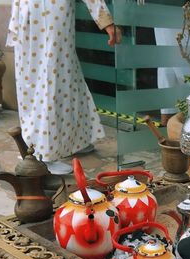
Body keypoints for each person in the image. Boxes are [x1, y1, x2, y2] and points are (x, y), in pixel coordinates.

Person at [7, 0, 122, 174]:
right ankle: (42, 155)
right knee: (48, 77)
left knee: (64, 74)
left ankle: (76, 139)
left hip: (45, 11)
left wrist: (105, 20)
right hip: (40, 12)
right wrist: (106, 21)